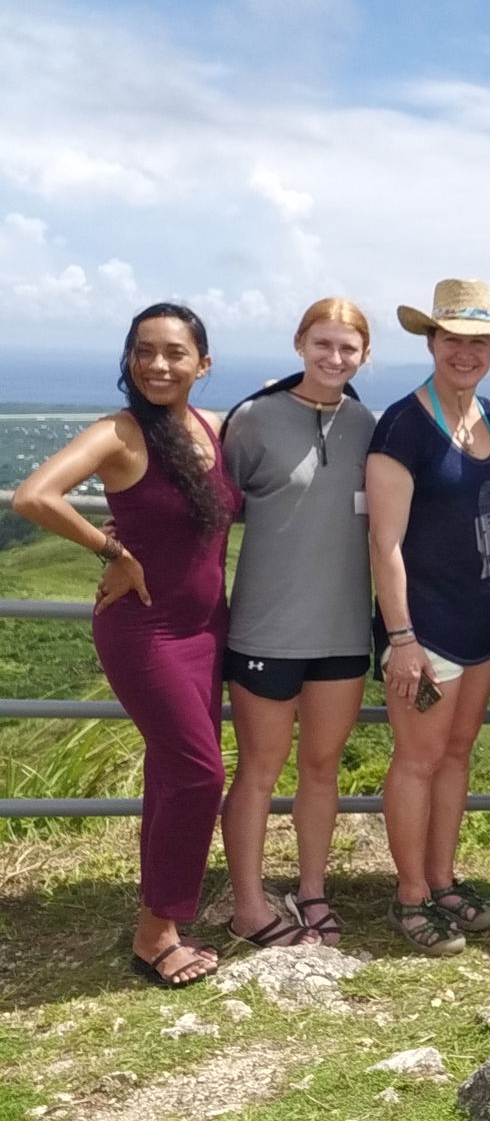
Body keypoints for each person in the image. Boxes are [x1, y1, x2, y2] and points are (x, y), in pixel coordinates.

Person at [15, 303, 241, 986]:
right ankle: (154, 934)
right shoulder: (118, 432)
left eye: (175, 353)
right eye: (144, 351)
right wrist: (112, 549)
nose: (157, 365)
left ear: (203, 366)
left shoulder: (215, 427)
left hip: (208, 628)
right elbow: (34, 495)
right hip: (146, 630)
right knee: (202, 775)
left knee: (175, 773)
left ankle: (162, 914)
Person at [368, 279, 490, 955]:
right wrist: (400, 637)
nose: (466, 352)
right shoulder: (404, 425)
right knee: (419, 758)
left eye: (479, 341)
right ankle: (409, 896)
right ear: (431, 342)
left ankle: (441, 881)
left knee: (455, 755)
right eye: (453, 339)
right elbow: (385, 542)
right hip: (425, 628)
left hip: (482, 621)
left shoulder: (485, 411)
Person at [216, 298, 376, 949]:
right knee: (258, 769)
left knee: (321, 768)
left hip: (342, 631)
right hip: (264, 629)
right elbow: (207, 504)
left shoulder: (370, 426)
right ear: (299, 344)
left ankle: (312, 891)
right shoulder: (254, 420)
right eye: (323, 344)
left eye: (348, 348)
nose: (334, 358)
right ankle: (248, 904)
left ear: (364, 356)